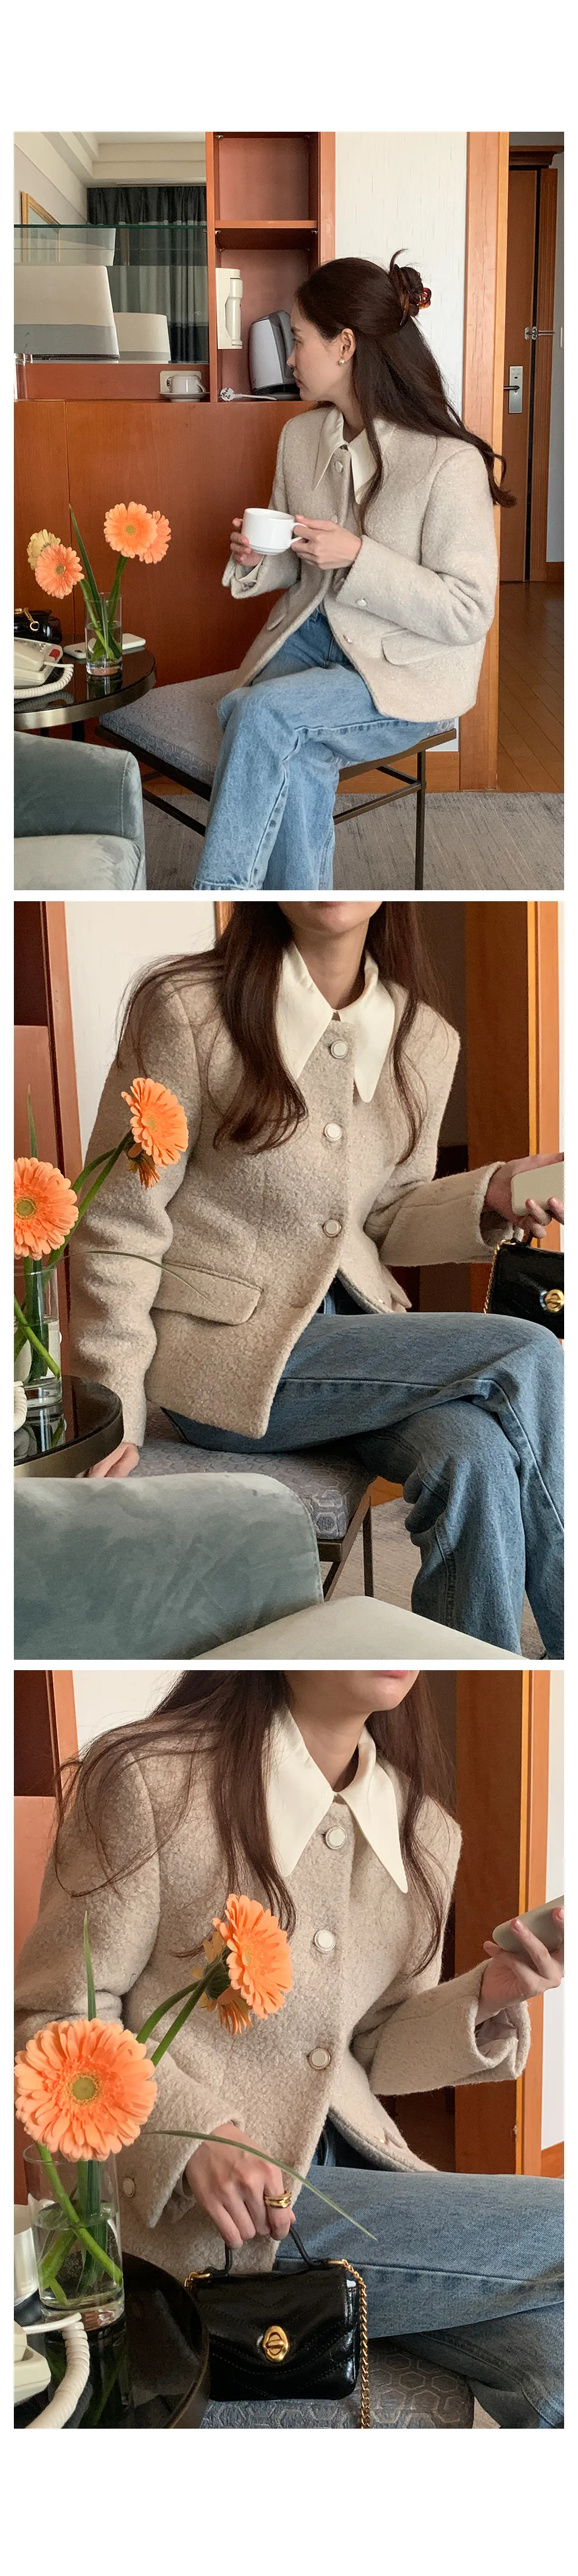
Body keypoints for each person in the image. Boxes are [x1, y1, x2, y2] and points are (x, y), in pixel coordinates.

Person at [14, 1668, 564, 2430]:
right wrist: (191, 2130)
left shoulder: (425, 1832)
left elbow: (374, 2042)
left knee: (553, 2358)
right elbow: (53, 2016)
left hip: (357, 2177)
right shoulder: (151, 1780)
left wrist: (490, 1991)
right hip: (212, 2211)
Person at [69, 899, 564, 1655]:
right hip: (227, 1359)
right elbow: (120, 1222)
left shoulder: (423, 1039)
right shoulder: (188, 1009)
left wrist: (490, 1192)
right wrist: (110, 1406)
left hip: (363, 1346)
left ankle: (480, 1660)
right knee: (528, 1350)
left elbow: (383, 1215)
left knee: (477, 1456)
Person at [193, 255, 509, 891]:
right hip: (315, 634)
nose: (289, 359)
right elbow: (296, 555)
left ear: (344, 346)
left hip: (407, 666)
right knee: (280, 737)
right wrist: (257, 558)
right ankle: (298, 913)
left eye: (297, 340)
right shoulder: (300, 438)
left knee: (262, 719)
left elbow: (468, 610)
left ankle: (223, 899)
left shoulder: (448, 463)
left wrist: (359, 557)